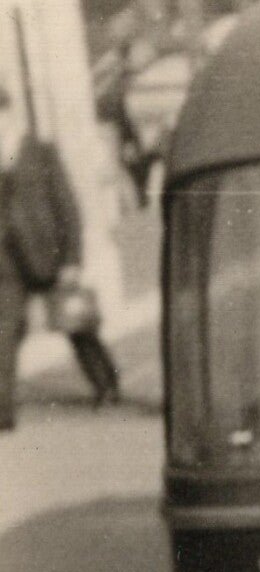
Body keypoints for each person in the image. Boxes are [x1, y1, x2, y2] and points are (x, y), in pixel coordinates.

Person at [0, 87, 120, 420]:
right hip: (7, 261)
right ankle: (2, 409)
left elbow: (67, 208)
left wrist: (71, 259)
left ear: (7, 113)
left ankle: (106, 383)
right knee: (5, 328)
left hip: (47, 252)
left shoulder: (39, 152)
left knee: (77, 324)